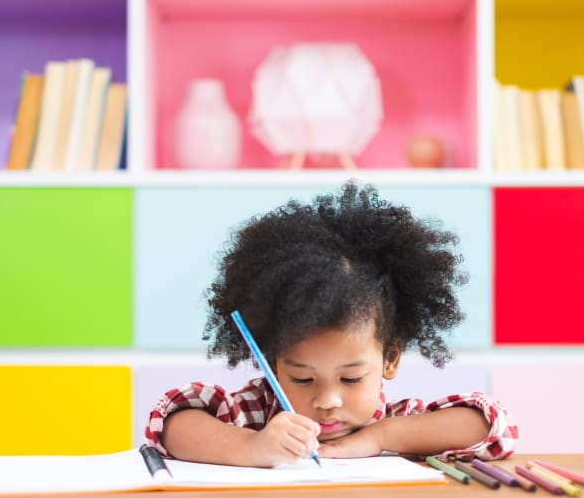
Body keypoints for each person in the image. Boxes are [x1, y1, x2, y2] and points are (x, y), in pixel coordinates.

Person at [144, 181, 517, 467]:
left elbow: (494, 426)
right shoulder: (255, 413)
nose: (327, 401)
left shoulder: (393, 420)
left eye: (351, 378)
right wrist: (253, 446)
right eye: (302, 379)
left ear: (390, 359)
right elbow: (171, 422)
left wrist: (381, 437)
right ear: (272, 362)